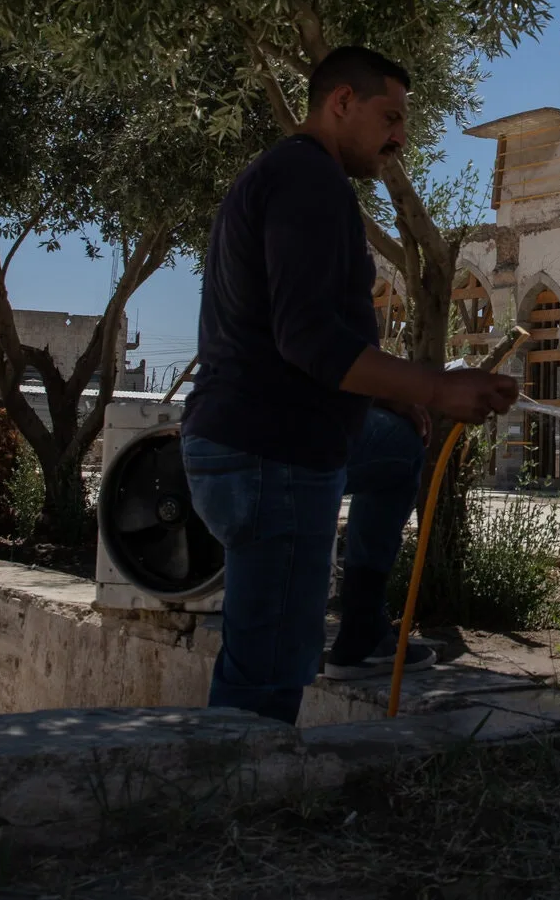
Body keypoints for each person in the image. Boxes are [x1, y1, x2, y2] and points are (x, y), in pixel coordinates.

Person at [181, 44, 518, 722]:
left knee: (394, 451)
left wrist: (390, 395)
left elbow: (305, 333)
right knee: (264, 684)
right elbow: (307, 337)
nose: (400, 137)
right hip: (272, 453)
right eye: (389, 116)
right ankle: (240, 801)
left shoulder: (292, 177)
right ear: (341, 102)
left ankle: (362, 628)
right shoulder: (310, 181)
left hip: (261, 440)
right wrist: (434, 387)